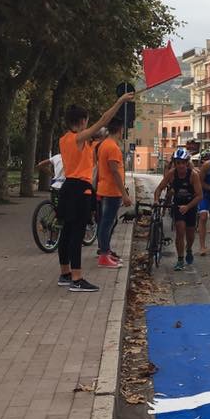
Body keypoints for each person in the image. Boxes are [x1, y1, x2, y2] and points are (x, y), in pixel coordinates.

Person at [56, 92, 134, 292]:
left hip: (67, 187)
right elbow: (104, 120)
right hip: (79, 189)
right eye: (87, 122)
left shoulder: (64, 139)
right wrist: (119, 101)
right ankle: (77, 278)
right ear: (83, 121)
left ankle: (65, 273)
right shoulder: (78, 138)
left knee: (66, 232)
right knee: (77, 234)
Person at [153, 147, 202, 269]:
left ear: (187, 163)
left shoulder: (193, 175)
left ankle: (189, 249)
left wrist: (188, 206)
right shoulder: (171, 174)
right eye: (178, 163)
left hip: (191, 205)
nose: (180, 166)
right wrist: (156, 200)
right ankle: (180, 259)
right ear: (175, 163)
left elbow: (199, 196)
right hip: (178, 205)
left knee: (190, 234)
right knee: (180, 230)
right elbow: (159, 189)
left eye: (183, 163)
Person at [95, 119, 132, 268]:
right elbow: (115, 171)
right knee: (107, 223)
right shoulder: (112, 147)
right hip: (112, 191)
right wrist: (124, 194)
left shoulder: (104, 144)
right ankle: (104, 255)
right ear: (120, 129)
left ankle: (106, 252)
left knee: (106, 222)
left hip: (106, 189)